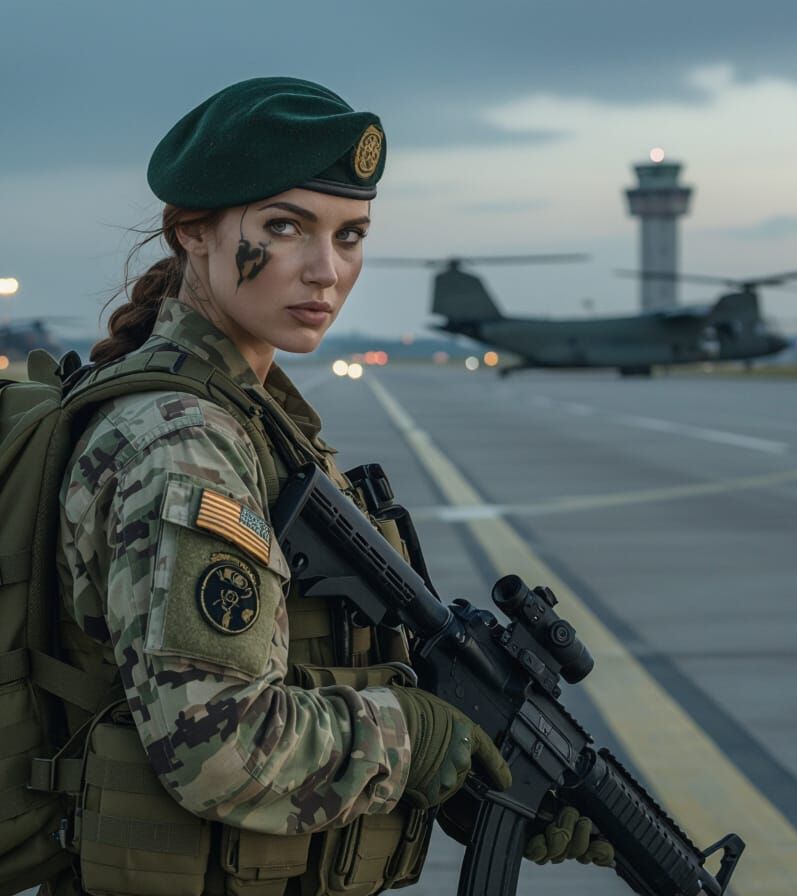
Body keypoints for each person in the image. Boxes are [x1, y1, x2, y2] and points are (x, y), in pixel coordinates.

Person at [51, 76, 610, 896]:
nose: (326, 270)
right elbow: (219, 746)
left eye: (350, 236)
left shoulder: (251, 418)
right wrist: (419, 741)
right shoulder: (185, 444)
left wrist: (474, 777)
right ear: (194, 233)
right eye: (285, 228)